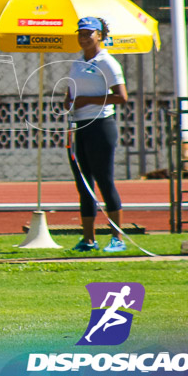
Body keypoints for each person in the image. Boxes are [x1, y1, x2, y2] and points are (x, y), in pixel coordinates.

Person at [64, 16, 128, 253]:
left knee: (104, 180)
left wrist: (87, 100)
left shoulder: (107, 63)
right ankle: (88, 239)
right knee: (84, 184)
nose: (84, 38)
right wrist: (69, 100)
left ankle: (117, 238)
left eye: (89, 33)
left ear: (100, 35)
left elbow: (121, 97)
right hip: (80, 126)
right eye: (80, 33)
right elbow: (71, 90)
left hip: (101, 125)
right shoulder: (77, 62)